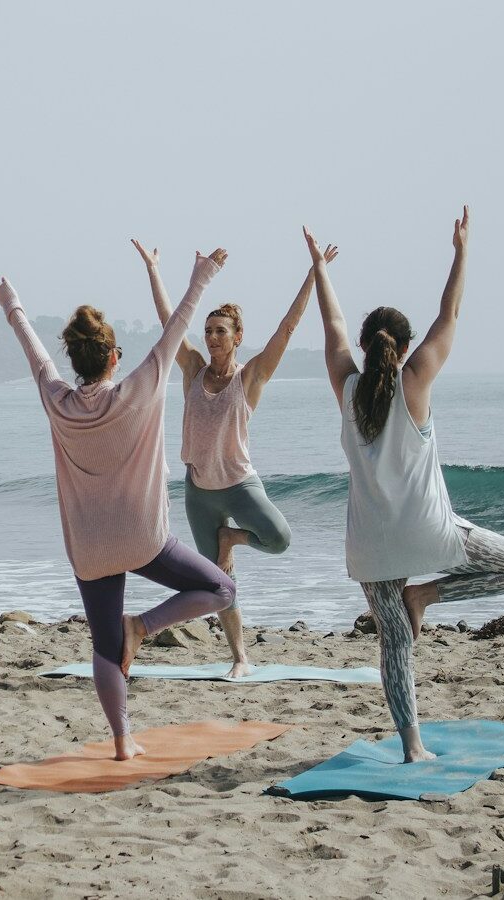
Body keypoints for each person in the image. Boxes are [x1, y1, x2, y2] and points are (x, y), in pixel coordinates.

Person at [0, 249, 237, 760]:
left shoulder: (56, 399)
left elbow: (34, 352)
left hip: (90, 548)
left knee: (103, 648)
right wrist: (202, 275)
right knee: (221, 589)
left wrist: (11, 303)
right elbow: (178, 328)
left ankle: (123, 743)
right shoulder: (138, 391)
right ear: (114, 356)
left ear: (75, 362)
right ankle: (142, 627)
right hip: (142, 539)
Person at [305, 208, 504, 762]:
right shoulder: (417, 382)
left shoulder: (347, 388)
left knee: (395, 645)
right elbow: (449, 312)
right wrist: (460, 252)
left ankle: (412, 746)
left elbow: (331, 330)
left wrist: (320, 270)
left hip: (371, 547)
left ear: (365, 348)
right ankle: (427, 593)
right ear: (404, 349)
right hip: (430, 535)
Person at [133, 239, 339, 677]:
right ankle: (240, 658)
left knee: (279, 538)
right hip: (199, 492)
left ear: (238, 336)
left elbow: (287, 328)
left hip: (241, 485)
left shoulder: (252, 377)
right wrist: (154, 269)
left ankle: (233, 539)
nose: (210, 338)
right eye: (208, 330)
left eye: (220, 331)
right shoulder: (191, 369)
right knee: (220, 586)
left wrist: (313, 272)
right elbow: (170, 322)